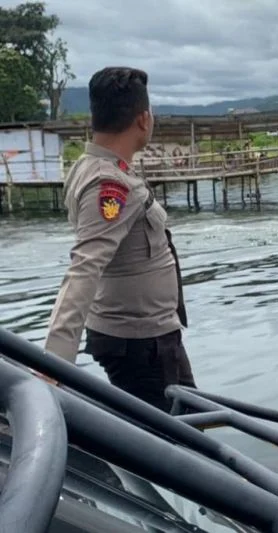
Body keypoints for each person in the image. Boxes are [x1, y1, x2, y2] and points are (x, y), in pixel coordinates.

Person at [42, 67, 196, 412]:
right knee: (180, 447)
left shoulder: (99, 167)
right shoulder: (108, 185)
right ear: (144, 119)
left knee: (195, 424)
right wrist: (52, 366)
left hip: (147, 336)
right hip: (142, 343)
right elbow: (84, 268)